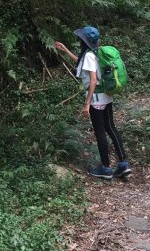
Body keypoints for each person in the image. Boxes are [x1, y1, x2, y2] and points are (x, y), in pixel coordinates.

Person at [54, 26, 131, 180]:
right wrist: (66, 51)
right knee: (111, 128)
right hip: (107, 96)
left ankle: (106, 168)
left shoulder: (89, 55)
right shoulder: (97, 52)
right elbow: (85, 66)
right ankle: (123, 164)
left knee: (100, 132)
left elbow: (93, 80)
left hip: (96, 100)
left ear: (84, 41)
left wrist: (87, 104)